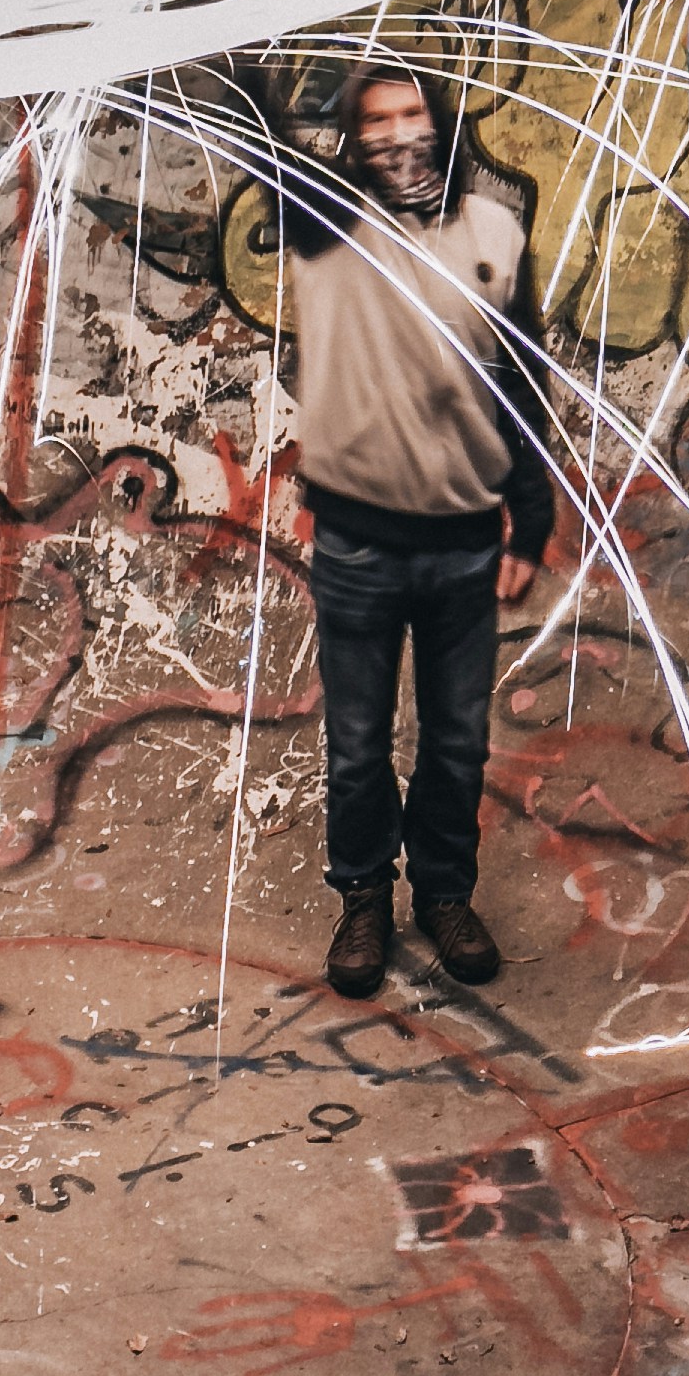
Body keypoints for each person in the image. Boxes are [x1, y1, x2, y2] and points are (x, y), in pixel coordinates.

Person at [217, 55, 560, 1002]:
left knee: (457, 744)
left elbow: (524, 381)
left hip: (464, 544)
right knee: (359, 746)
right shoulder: (326, 221)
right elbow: (261, 139)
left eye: (411, 114)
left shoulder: (493, 231)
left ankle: (445, 895)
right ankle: (364, 899)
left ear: (439, 122)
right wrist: (238, 45)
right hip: (358, 548)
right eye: (375, 121)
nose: (397, 134)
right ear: (353, 139)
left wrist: (530, 520)